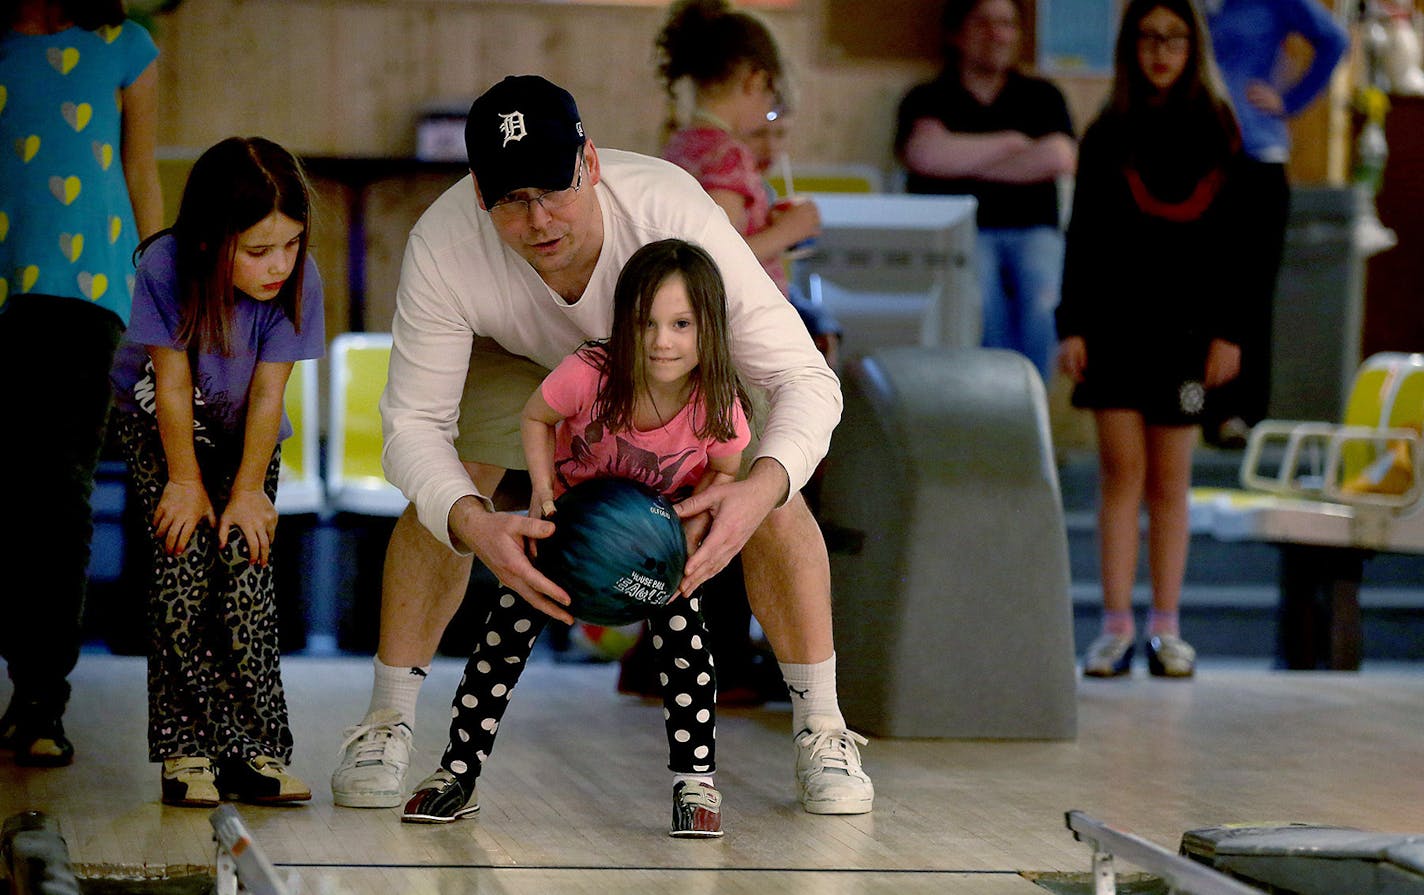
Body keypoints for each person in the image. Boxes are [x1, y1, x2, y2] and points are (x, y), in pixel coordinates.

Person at [330, 74, 873, 818]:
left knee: (765, 476)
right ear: (479, 192)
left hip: (656, 355)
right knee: (455, 478)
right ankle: (387, 718)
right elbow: (410, 427)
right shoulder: (443, 244)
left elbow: (805, 378)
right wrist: (469, 518)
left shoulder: (668, 210)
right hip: (519, 361)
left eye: (555, 188)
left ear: (589, 161)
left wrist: (758, 489)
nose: (540, 218)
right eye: (512, 200)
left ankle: (823, 726)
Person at [402, 239, 749, 836]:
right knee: (500, 644)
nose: (662, 341)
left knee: (687, 648)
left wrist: (691, 525)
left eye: (682, 324)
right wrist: (542, 490)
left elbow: (726, 471)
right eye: (646, 323)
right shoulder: (592, 371)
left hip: (652, 548)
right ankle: (457, 772)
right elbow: (536, 417)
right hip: (567, 536)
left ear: (708, 328)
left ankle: (695, 783)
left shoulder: (716, 402)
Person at [109, 137, 325, 806]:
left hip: (247, 442)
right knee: (181, 570)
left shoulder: (300, 280)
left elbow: (268, 395)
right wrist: (183, 481)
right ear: (208, 240)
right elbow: (170, 389)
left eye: (289, 245)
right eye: (258, 251)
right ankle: (188, 749)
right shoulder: (165, 268)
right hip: (163, 434)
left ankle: (256, 748)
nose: (278, 265)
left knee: (246, 570)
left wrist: (249, 491)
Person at [1055, 0, 1248, 678]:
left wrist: (1230, 330)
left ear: (1193, 46)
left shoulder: (1218, 128)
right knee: (1121, 475)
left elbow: (1234, 244)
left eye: (1173, 38)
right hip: (1114, 324)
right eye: (1147, 38)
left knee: (1171, 480)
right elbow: (1082, 235)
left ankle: (1167, 626)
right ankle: (1114, 626)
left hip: (1188, 329)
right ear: (1130, 48)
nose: (1160, 51)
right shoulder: (1108, 129)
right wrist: (1071, 324)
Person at [0, 0, 161, 767]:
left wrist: (160, 300)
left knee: (57, 493)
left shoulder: (124, 46)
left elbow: (139, 173)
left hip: (85, 289)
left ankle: (39, 699)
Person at [895, 0, 1076, 382]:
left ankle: (1025, 407)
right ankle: (997, 403)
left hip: (1035, 231)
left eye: (1006, 24)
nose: (997, 34)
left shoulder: (1042, 96)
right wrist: (1013, 143)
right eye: (983, 23)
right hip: (960, 233)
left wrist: (960, 154)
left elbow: (1060, 156)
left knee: (1046, 301)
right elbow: (925, 156)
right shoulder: (927, 96)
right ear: (957, 34)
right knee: (981, 301)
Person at [656, 0, 840, 369]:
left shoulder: (681, 144)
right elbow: (719, 257)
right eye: (770, 99)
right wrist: (791, 230)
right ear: (756, 81)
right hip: (741, 333)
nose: (768, 111)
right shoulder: (728, 154)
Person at [1199, 0, 1347, 447]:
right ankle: (1190, 404)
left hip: (1254, 154)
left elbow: (1334, 39)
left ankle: (1240, 413)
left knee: (1250, 288)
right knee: (1197, 285)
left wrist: (1290, 100)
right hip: (1193, 157)